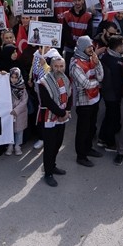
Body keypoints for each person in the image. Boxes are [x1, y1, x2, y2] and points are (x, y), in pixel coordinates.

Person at [35, 51, 72, 187]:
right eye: (56, 66)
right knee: (50, 146)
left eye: (61, 66)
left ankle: (53, 165)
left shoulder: (65, 78)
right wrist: (62, 113)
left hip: (62, 117)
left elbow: (70, 95)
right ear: (51, 67)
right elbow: (47, 102)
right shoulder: (43, 82)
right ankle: (48, 173)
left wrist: (67, 111)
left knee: (58, 143)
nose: (59, 69)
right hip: (49, 118)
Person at [68, 36, 103, 167]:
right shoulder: (75, 64)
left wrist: (98, 63)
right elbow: (86, 84)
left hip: (95, 98)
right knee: (83, 130)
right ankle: (81, 156)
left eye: (91, 46)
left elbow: (101, 75)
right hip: (84, 102)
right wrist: (98, 83)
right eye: (89, 47)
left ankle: (88, 149)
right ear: (82, 47)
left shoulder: (91, 59)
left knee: (91, 127)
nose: (91, 48)